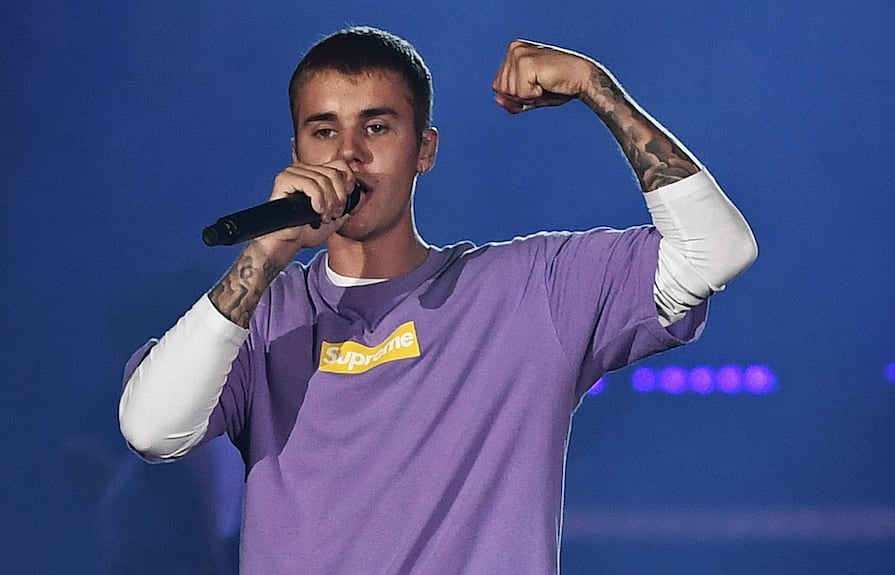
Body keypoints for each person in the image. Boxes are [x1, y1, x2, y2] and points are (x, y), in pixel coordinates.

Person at [119, 26, 756, 574]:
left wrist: (595, 86)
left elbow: (716, 250)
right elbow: (151, 431)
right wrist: (266, 253)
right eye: (323, 131)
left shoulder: (529, 290)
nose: (349, 155)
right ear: (296, 154)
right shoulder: (262, 319)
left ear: (424, 149)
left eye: (377, 126)